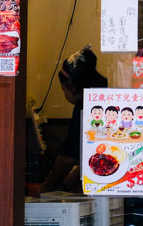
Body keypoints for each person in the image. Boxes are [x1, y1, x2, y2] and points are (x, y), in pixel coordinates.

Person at [41, 45, 108, 193]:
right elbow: (87, 163)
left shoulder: (84, 107)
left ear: (70, 86)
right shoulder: (102, 100)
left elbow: (67, 159)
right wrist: (64, 186)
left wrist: (47, 187)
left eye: (63, 89)